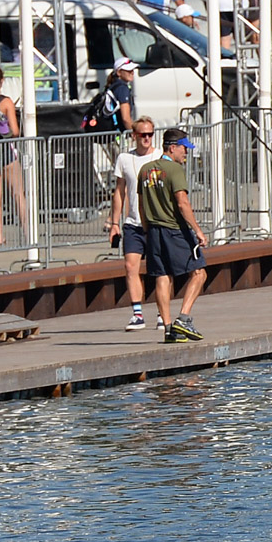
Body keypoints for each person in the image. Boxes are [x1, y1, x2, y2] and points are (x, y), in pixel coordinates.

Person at [137, 127, 209, 342]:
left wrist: (147, 229)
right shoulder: (175, 170)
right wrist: (197, 230)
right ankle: (183, 318)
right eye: (184, 149)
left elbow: (141, 204)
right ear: (173, 147)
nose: (185, 154)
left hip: (154, 230)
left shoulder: (146, 169)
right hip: (175, 229)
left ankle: (168, 329)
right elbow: (182, 202)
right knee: (199, 273)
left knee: (162, 277)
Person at [109, 118, 166, 331]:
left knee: (160, 269)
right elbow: (119, 192)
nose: (147, 138)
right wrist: (114, 222)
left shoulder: (160, 156)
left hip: (156, 222)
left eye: (150, 134)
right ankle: (137, 314)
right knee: (130, 266)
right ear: (134, 135)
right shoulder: (125, 159)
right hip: (133, 223)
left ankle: (163, 313)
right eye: (143, 134)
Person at [0, 66, 29, 246]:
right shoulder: (6, 102)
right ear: (1, 81)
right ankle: (27, 230)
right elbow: (15, 130)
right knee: (18, 193)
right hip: (5, 148)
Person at [99, 58, 139, 133]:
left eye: (132, 70)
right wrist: (135, 134)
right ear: (119, 72)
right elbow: (126, 118)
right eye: (128, 70)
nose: (132, 73)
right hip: (118, 134)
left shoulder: (114, 85)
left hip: (110, 133)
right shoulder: (122, 88)